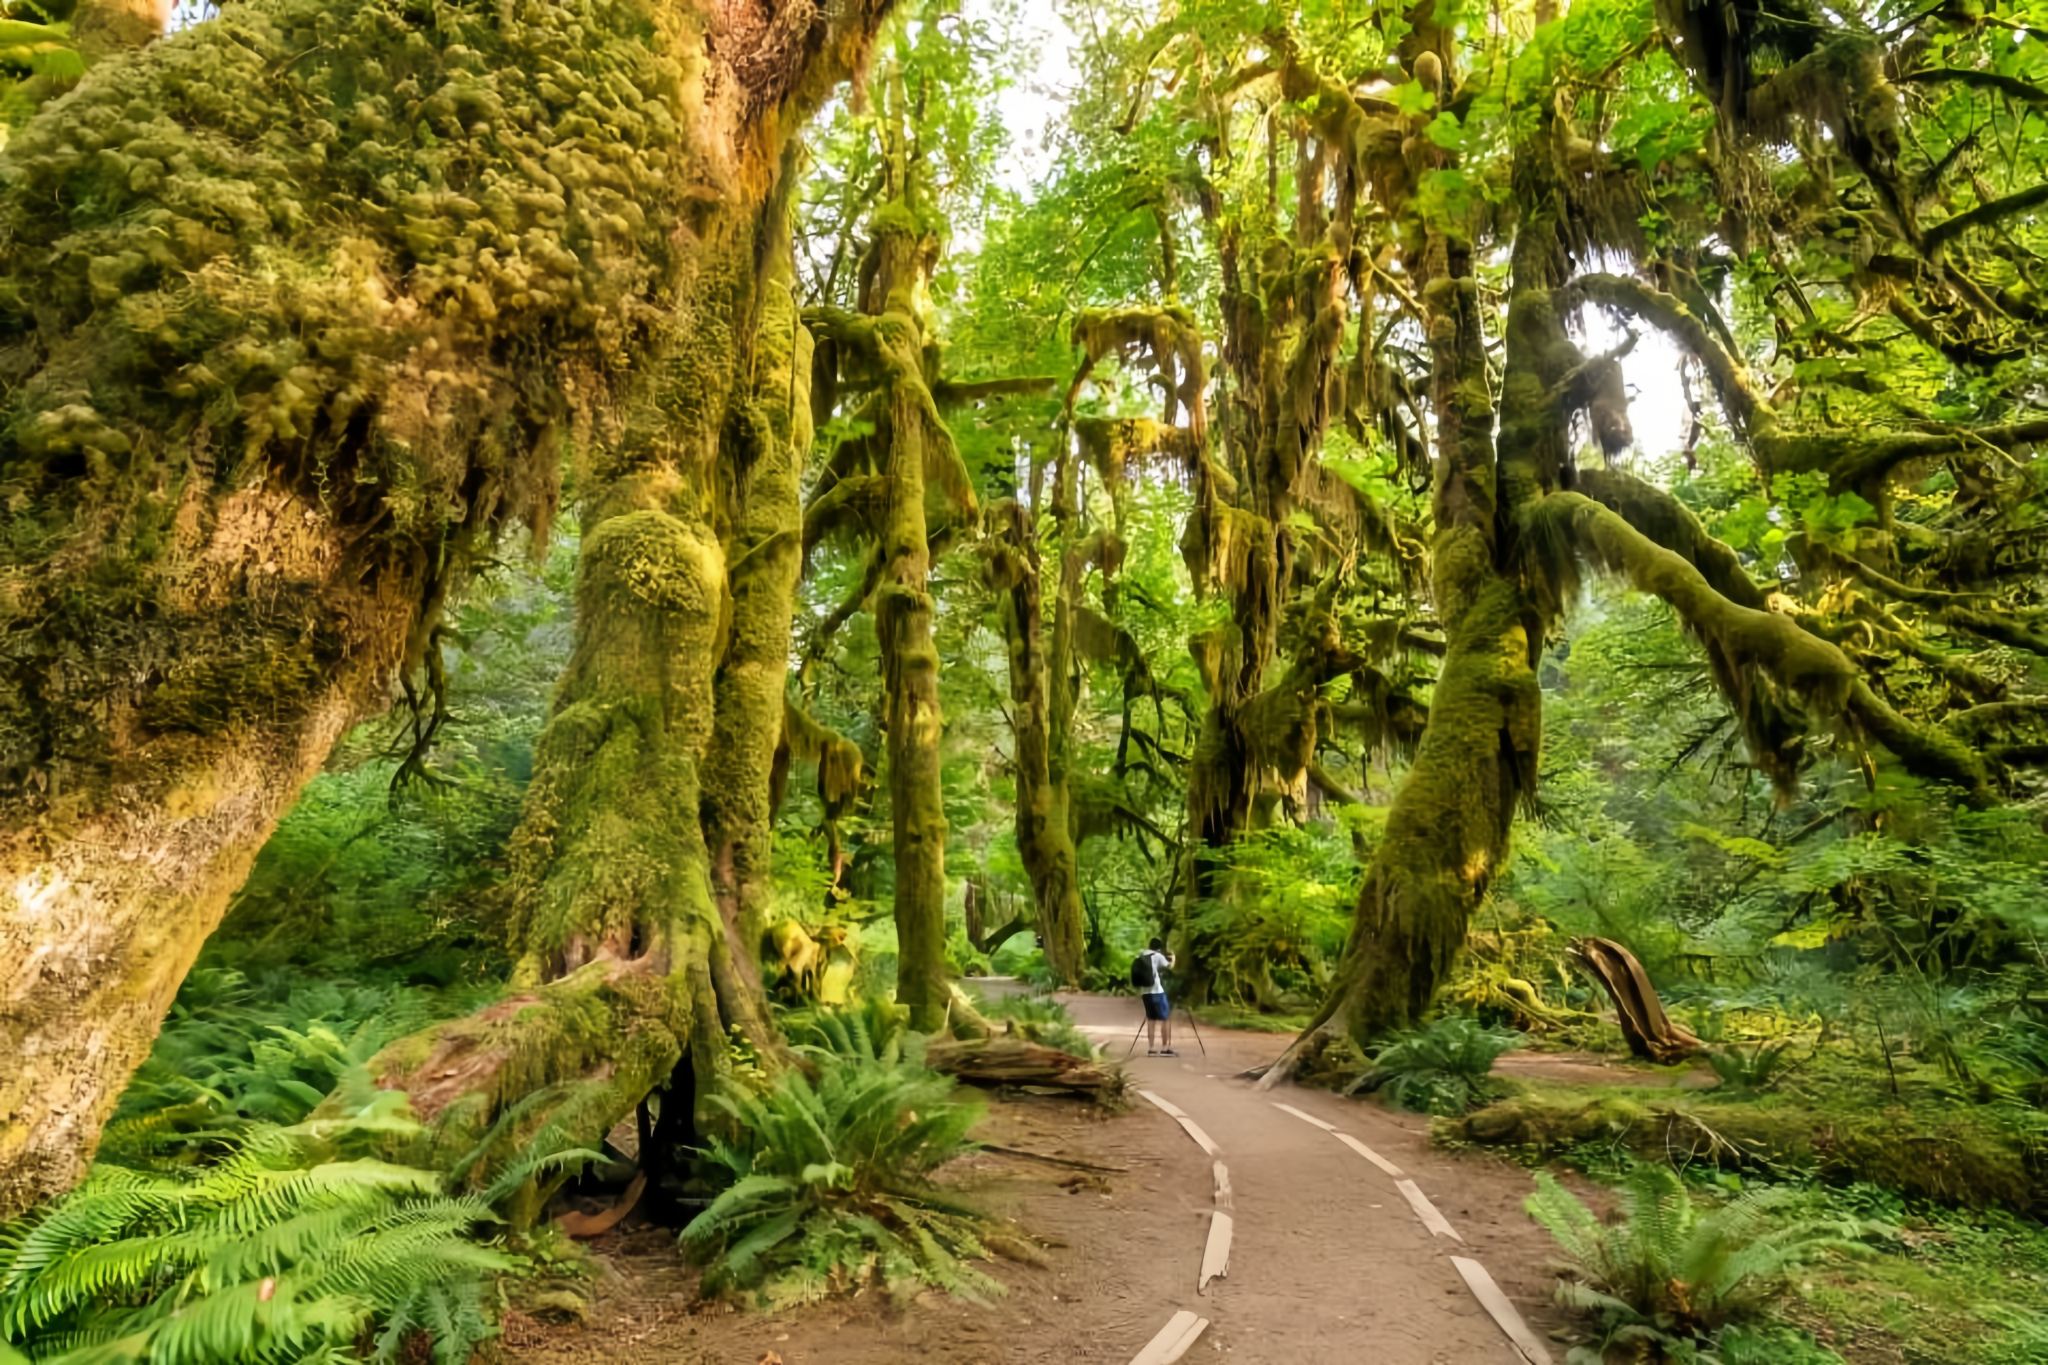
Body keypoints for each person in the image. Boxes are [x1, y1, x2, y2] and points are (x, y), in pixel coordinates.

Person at [1138, 937, 1176, 1056]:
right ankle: (1165, 1048)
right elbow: (1169, 967)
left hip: (1145, 992)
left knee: (1151, 1019)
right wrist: (1173, 959)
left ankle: (1151, 1048)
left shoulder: (1141, 955)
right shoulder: (1158, 956)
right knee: (1165, 1018)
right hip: (1157, 991)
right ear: (1159, 948)